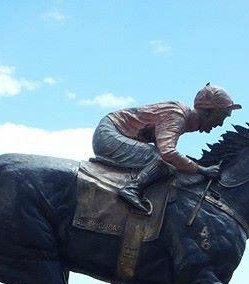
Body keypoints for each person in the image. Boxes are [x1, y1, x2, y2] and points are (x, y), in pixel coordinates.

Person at [91, 83, 241, 213]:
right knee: (162, 161)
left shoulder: (183, 118)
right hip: (108, 135)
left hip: (114, 133)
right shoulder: (177, 115)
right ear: (208, 111)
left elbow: (162, 146)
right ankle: (132, 188)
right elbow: (167, 153)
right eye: (222, 116)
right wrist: (202, 170)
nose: (220, 124)